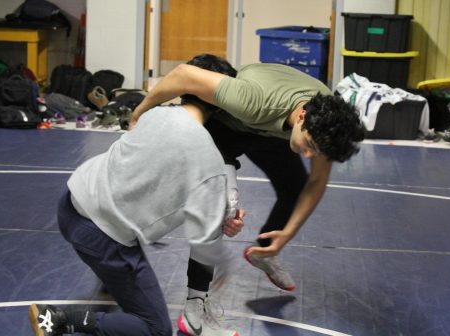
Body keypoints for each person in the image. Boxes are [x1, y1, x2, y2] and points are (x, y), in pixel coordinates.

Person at [29, 57, 246, 336]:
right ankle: (59, 320)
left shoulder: (151, 114)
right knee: (155, 330)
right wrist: (226, 227)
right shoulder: (208, 163)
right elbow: (206, 240)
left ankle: (112, 282)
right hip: (101, 239)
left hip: (71, 203)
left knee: (128, 214)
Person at [130, 55, 365, 292]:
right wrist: (140, 112)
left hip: (271, 131)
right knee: (216, 207)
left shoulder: (324, 127)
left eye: (315, 151)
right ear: (302, 116)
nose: (308, 156)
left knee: (295, 187)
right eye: (310, 146)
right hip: (228, 123)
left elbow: (316, 182)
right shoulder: (253, 100)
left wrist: (286, 235)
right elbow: (183, 73)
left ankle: (265, 252)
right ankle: (130, 246)